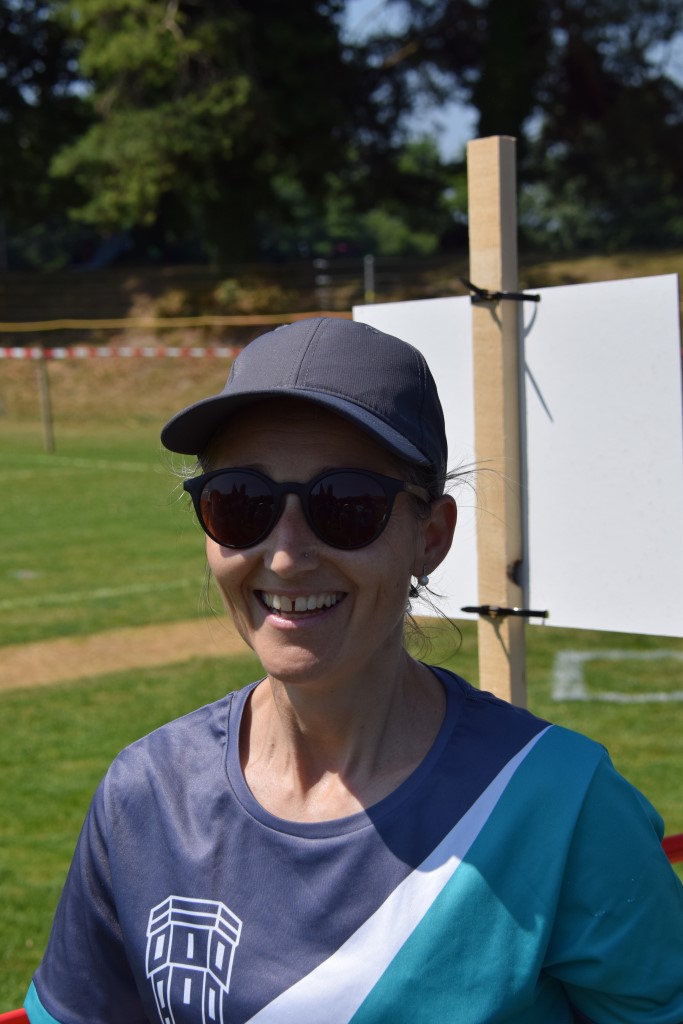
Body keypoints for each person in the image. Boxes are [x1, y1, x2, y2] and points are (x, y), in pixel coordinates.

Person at [26, 317, 683, 1024]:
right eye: (239, 502)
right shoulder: (146, 795)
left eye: (344, 506)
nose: (285, 556)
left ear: (431, 536)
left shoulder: (562, 806)